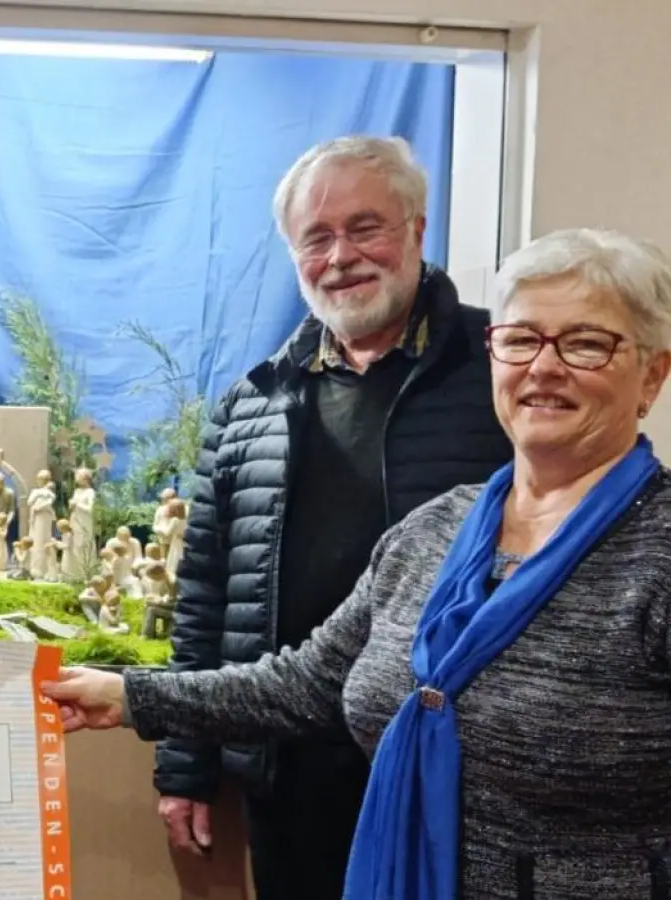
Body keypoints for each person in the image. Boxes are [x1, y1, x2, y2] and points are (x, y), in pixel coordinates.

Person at [47, 227, 671, 900]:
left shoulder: (658, 553)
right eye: (520, 339)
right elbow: (305, 684)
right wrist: (129, 695)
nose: (544, 368)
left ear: (652, 375)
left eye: (585, 343)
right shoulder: (433, 531)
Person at [154, 135, 512, 899]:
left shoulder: (502, 376)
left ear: (417, 230)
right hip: (290, 769)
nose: (341, 255)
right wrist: (188, 764)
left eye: (365, 227)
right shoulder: (251, 403)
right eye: (316, 238)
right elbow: (204, 598)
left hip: (451, 766)